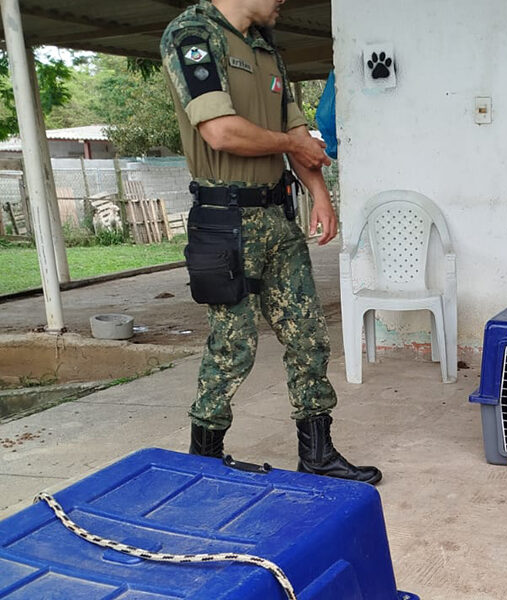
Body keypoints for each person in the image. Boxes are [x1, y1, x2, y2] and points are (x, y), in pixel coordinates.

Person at [161, 0, 381, 483]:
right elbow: (221, 132)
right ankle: (204, 457)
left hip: (278, 216)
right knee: (233, 345)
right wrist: (292, 145)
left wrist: (320, 195)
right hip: (225, 220)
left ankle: (317, 453)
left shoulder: (265, 49)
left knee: (309, 336)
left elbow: (297, 132)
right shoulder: (194, 35)